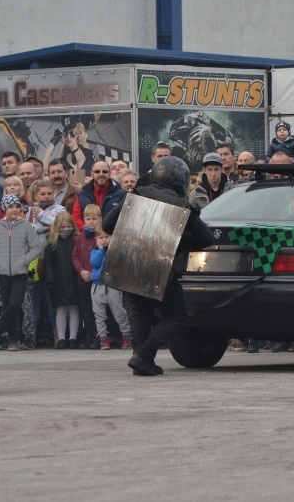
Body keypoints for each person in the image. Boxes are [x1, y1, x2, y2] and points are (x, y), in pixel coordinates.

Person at [102, 157, 215, 376]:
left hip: (129, 260)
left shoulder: (135, 195)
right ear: (177, 178)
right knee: (176, 314)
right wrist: (186, 235)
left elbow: (107, 225)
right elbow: (207, 239)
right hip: (159, 264)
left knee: (140, 311)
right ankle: (144, 354)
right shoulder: (181, 204)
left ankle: (141, 359)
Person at [0, 194, 42, 351]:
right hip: (2, 273)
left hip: (20, 273)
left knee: (15, 303)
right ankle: (14, 340)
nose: (15, 209)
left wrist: (24, 260)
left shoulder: (26, 226)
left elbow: (36, 247)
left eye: (17, 206)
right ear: (4, 209)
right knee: (8, 307)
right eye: (11, 207)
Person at [89, 226, 132, 350]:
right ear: (96, 239)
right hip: (98, 285)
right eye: (101, 238)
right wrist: (101, 249)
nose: (104, 240)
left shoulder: (115, 251)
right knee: (99, 314)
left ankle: (127, 336)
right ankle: (103, 338)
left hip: (112, 285)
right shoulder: (95, 251)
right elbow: (95, 262)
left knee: (119, 312)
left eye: (106, 237)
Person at [44, 212, 81, 349]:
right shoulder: (52, 244)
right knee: (61, 309)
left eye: (68, 226)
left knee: (74, 309)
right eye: (62, 227)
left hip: (74, 279)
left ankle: (73, 338)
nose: (66, 230)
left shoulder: (77, 240)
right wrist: (49, 280)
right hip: (59, 281)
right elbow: (49, 264)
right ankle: (61, 338)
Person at [72, 204, 102, 350]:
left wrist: (91, 271)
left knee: (99, 310)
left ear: (100, 219)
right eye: (88, 218)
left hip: (97, 280)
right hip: (83, 279)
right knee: (86, 310)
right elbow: (75, 256)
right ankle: (90, 334)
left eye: (94, 218)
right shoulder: (80, 237)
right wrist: (81, 271)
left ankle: (100, 335)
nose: (91, 221)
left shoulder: (101, 237)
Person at [71, 160, 126, 231]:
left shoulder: (122, 195)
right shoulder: (82, 194)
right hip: (88, 238)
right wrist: (89, 231)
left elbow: (125, 219)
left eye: (105, 171)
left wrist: (106, 234)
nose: (101, 174)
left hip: (110, 238)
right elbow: (76, 217)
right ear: (91, 174)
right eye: (97, 171)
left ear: (109, 174)